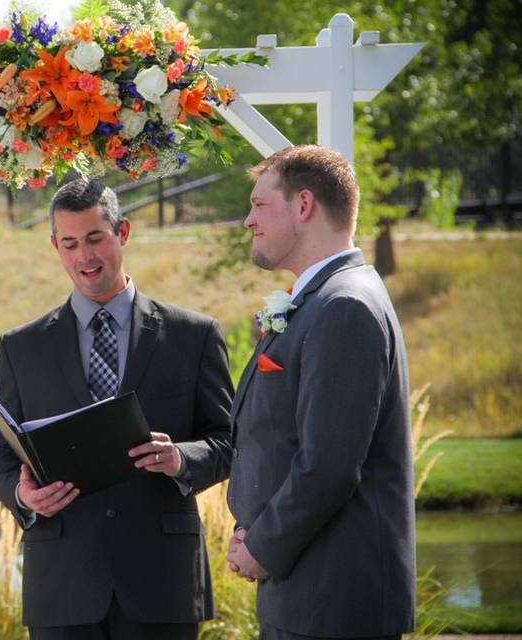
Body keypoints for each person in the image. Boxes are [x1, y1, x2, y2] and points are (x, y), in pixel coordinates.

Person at [0, 178, 234, 639]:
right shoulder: (21, 347)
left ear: (124, 232)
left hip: (162, 584)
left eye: (95, 238)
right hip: (62, 585)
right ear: (55, 246)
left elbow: (229, 441)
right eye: (70, 244)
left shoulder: (193, 335)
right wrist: (23, 497)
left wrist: (181, 459)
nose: (85, 257)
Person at [226, 145, 415, 639]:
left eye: (259, 204)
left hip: (334, 604)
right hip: (308, 594)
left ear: (303, 205)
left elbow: (329, 465)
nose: (249, 220)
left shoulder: (344, 306)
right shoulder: (324, 297)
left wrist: (261, 547)